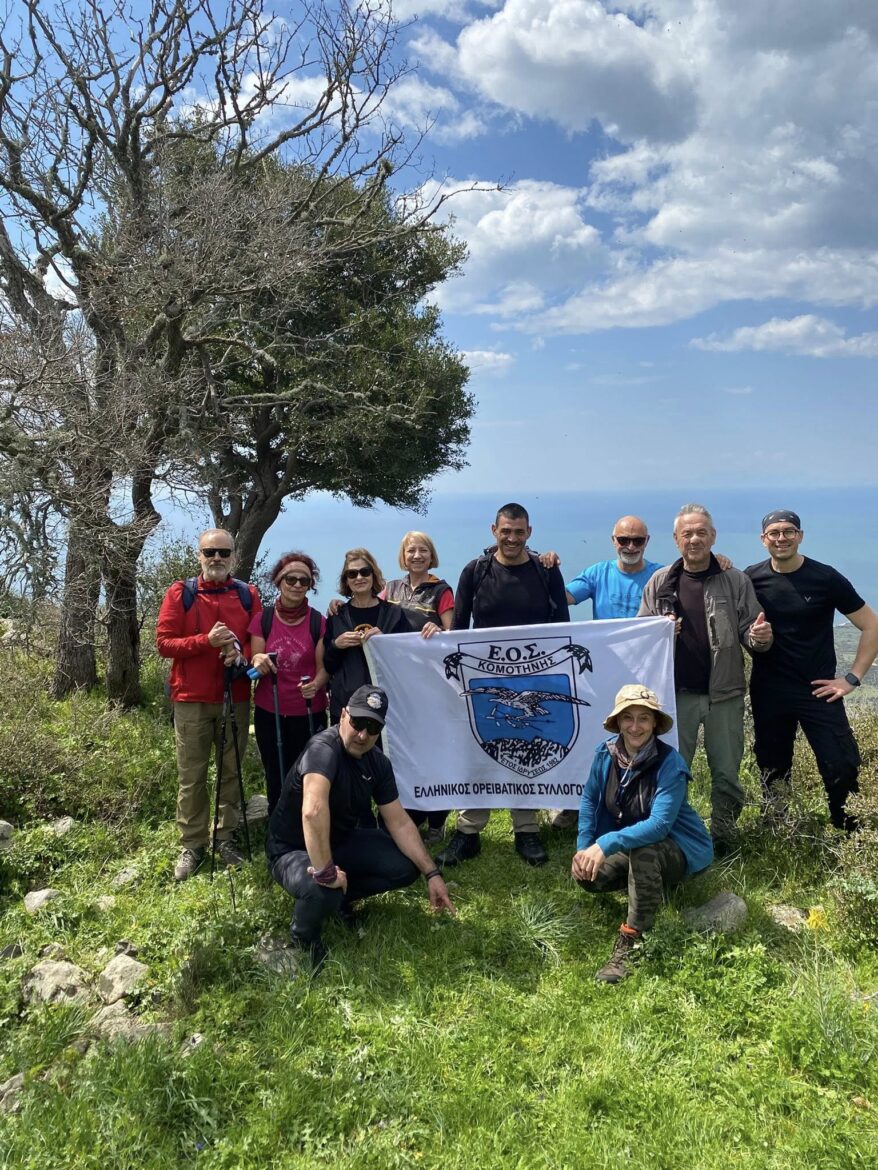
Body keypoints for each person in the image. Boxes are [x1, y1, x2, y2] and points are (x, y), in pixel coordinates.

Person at [265, 685, 456, 970]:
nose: (363, 735)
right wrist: (326, 872)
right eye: (357, 723)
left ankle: (341, 898)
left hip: (340, 841)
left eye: (372, 727)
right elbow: (312, 812)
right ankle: (304, 936)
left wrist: (432, 873)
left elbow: (400, 822)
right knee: (322, 886)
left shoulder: (378, 763)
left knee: (406, 866)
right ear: (343, 715)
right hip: (292, 849)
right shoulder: (323, 749)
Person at [436, 502, 571, 869]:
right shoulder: (475, 571)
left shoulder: (546, 571)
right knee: (480, 749)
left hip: (536, 675)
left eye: (519, 532)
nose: (512, 538)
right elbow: (458, 628)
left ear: (529, 532)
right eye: (505, 531)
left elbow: (563, 626)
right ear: (494, 530)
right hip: (485, 677)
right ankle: (467, 833)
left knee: (524, 749)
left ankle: (526, 831)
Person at [638, 504, 772, 852]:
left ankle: (724, 837)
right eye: (687, 533)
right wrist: (660, 633)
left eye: (701, 532)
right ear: (676, 539)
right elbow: (640, 636)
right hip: (673, 696)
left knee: (726, 773)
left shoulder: (734, 580)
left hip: (724, 695)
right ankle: (674, 834)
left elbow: (751, 630)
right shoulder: (659, 582)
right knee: (670, 772)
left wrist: (759, 638)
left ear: (713, 537)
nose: (694, 539)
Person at [745, 509, 878, 830]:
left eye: (789, 531)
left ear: (800, 536)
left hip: (818, 689)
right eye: (774, 533)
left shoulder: (825, 578)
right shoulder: (749, 578)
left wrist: (851, 678)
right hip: (769, 689)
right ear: (763, 540)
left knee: (841, 764)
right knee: (772, 768)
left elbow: (871, 625)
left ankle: (849, 834)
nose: (781, 538)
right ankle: (777, 831)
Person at [572, 684, 713, 983]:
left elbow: (660, 825)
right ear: (618, 722)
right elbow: (589, 801)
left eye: (644, 719)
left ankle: (632, 940)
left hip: (678, 849)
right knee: (588, 875)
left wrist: (605, 843)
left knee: (645, 850)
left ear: (654, 724)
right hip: (632, 843)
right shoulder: (605, 753)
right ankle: (646, 888)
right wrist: (585, 847)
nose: (635, 727)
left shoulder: (670, 763)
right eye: (628, 718)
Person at [157, 528, 261, 881]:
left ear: (234, 556)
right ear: (199, 556)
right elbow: (164, 643)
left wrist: (240, 653)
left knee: (231, 771)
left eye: (223, 552)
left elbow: (257, 643)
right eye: (209, 552)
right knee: (192, 775)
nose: (216, 558)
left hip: (236, 697)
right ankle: (193, 844)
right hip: (191, 699)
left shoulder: (248, 595)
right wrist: (207, 641)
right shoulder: (180, 593)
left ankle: (225, 838)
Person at [382, 530, 455, 841]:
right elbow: (370, 613)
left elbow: (453, 633)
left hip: (432, 685)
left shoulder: (442, 590)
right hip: (399, 687)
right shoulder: (389, 588)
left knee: (433, 747)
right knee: (403, 751)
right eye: (411, 550)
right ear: (403, 555)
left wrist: (437, 627)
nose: (417, 556)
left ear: (431, 554)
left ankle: (437, 823)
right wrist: (335, 605)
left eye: (423, 550)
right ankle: (408, 815)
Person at [248, 552, 329, 814]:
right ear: (279, 581)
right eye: (290, 579)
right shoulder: (264, 619)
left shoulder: (318, 622)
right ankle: (278, 823)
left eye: (303, 581)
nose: (296, 585)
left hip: (308, 710)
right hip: (269, 710)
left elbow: (323, 669)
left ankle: (307, 825)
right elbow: (255, 659)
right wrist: (257, 660)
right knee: (275, 770)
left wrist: (316, 685)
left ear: (310, 585)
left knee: (309, 772)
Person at [323, 548, 411, 726]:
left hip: (386, 705)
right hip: (346, 705)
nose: (359, 578)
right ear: (346, 581)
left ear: (373, 575)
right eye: (352, 574)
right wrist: (336, 645)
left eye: (365, 572)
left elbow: (407, 658)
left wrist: (385, 641)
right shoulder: (337, 615)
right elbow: (328, 665)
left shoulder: (394, 613)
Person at [566, 515, 663, 619]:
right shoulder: (597, 574)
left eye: (638, 541)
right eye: (623, 540)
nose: (631, 547)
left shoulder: (660, 577)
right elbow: (563, 599)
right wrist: (547, 567)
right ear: (614, 540)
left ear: (647, 541)